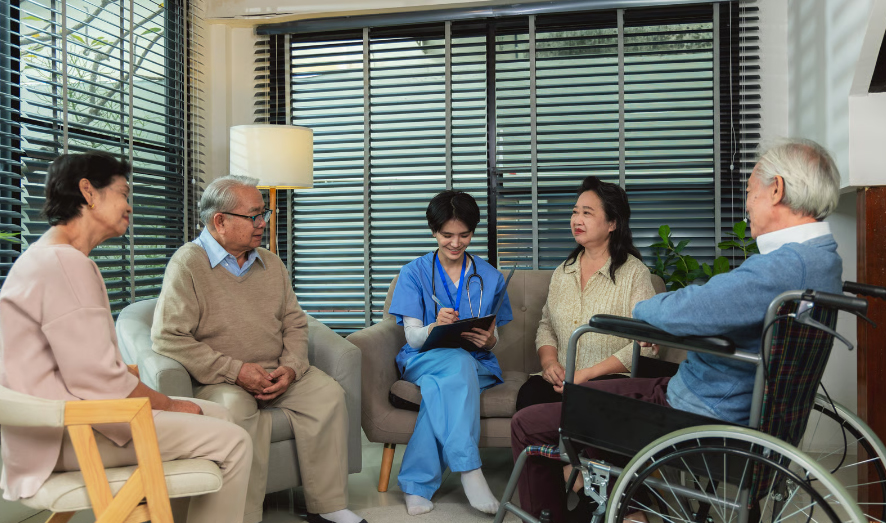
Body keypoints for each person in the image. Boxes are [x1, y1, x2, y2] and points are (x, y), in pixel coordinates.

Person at [510, 138, 844, 522]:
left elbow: (689, 308)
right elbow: (710, 305)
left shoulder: (780, 267)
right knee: (565, 399)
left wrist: (647, 312)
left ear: (777, 189)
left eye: (749, 192)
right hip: (709, 395)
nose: (747, 204)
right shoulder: (822, 259)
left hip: (693, 411)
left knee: (528, 423)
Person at [0, 152, 252, 523]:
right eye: (122, 193)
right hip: (65, 437)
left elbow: (87, 369)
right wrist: (170, 404)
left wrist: (166, 403)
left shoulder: (45, 257)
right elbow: (98, 379)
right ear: (88, 192)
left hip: (48, 429)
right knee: (235, 441)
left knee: (218, 413)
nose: (130, 206)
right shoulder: (65, 265)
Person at [151, 175, 365, 523]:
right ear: (220, 221)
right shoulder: (187, 264)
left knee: (327, 394)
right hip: (220, 379)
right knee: (235, 407)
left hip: (276, 371)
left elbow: (296, 323)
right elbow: (168, 337)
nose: (262, 223)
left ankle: (328, 506)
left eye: (262, 214)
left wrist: (292, 367)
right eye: (253, 216)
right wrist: (237, 371)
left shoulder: (271, 264)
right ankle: (244, 514)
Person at [388, 190, 514, 516]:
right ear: (433, 231)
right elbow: (413, 339)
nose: (456, 243)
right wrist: (433, 328)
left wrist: (489, 342)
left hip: (477, 362)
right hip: (423, 358)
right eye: (447, 235)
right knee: (457, 365)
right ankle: (470, 470)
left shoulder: (489, 276)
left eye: (464, 235)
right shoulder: (414, 273)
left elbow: (494, 334)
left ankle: (416, 484)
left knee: (442, 391)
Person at [516, 176, 656, 411]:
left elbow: (648, 345)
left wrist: (587, 374)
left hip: (610, 381)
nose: (576, 220)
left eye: (587, 213)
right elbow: (546, 327)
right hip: (562, 380)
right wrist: (550, 363)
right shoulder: (563, 271)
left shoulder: (635, 273)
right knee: (530, 396)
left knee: (588, 404)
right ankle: (543, 450)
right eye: (574, 212)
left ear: (612, 223)